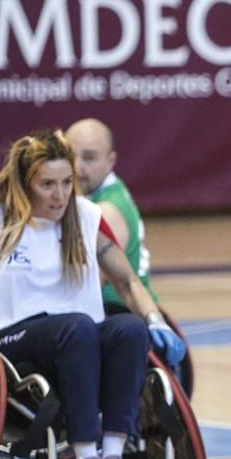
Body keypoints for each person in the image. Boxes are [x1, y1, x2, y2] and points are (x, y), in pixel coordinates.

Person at [0, 129, 186, 459]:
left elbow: (127, 284)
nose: (60, 195)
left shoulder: (86, 217)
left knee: (128, 330)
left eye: (67, 183)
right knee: (77, 328)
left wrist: (154, 320)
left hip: (80, 340)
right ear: (24, 182)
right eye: (48, 184)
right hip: (11, 343)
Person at [65, 118, 159, 314]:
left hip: (123, 313)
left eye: (89, 158)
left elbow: (85, 287)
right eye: (69, 156)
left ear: (111, 161)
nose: (77, 167)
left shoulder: (107, 210)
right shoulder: (76, 198)